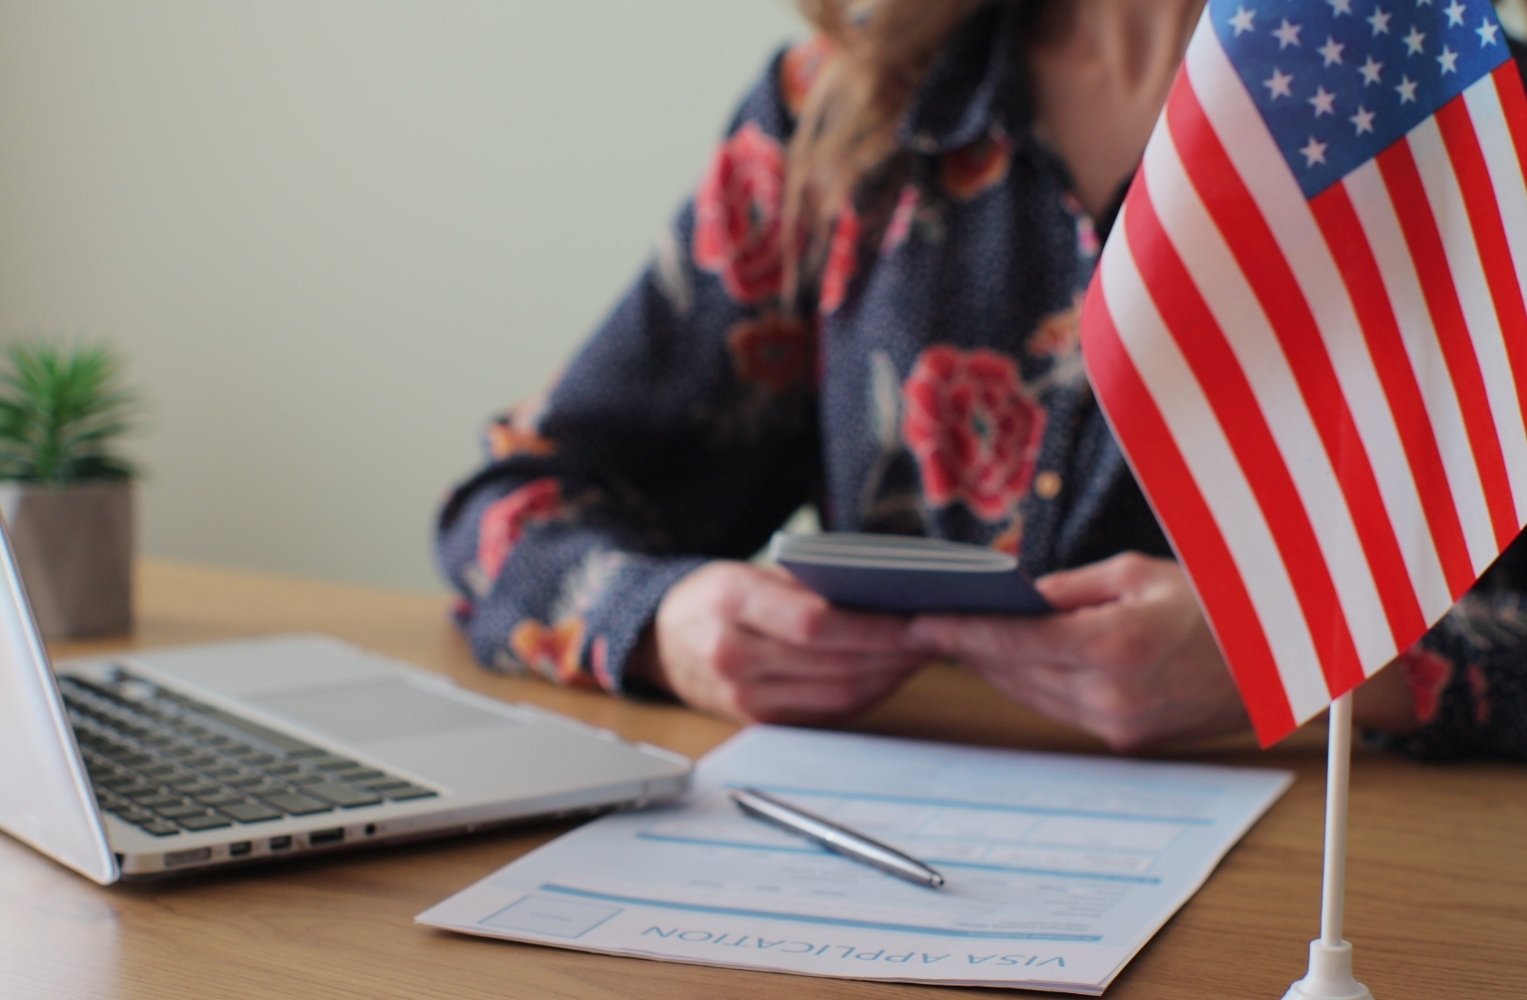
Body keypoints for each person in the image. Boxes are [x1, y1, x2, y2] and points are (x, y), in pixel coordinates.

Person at [437, 0, 1527, 759]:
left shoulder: (1470, 112)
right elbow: (517, 506)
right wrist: (670, 618)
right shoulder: (842, 105)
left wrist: (1316, 662)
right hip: (885, 871)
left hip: (1344, 893)